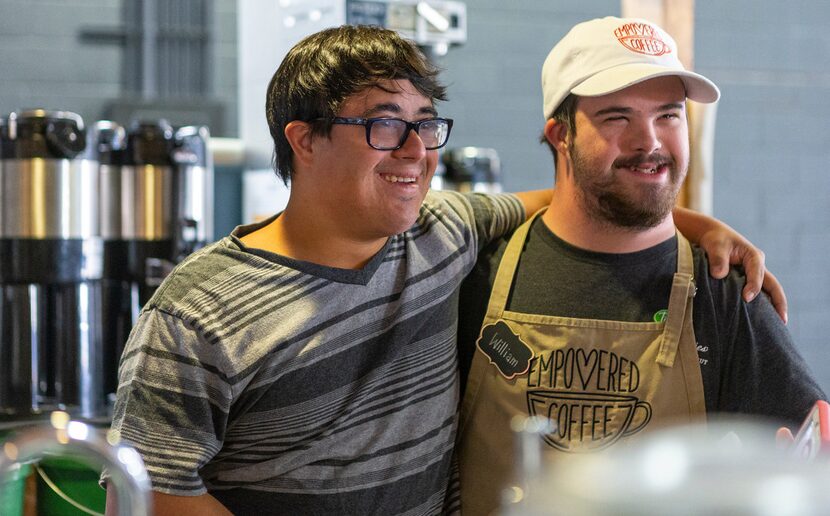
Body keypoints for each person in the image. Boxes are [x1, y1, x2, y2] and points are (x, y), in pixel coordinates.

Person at [105, 24, 783, 516]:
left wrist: (696, 223)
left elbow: (575, 196)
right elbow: (146, 489)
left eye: (426, 125)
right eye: (382, 126)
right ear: (304, 139)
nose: (415, 152)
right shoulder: (196, 312)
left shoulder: (442, 230)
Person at [455, 16, 826, 516]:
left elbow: (809, 459)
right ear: (559, 134)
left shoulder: (722, 292)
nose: (649, 142)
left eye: (668, 116)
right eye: (616, 117)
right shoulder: (476, 274)